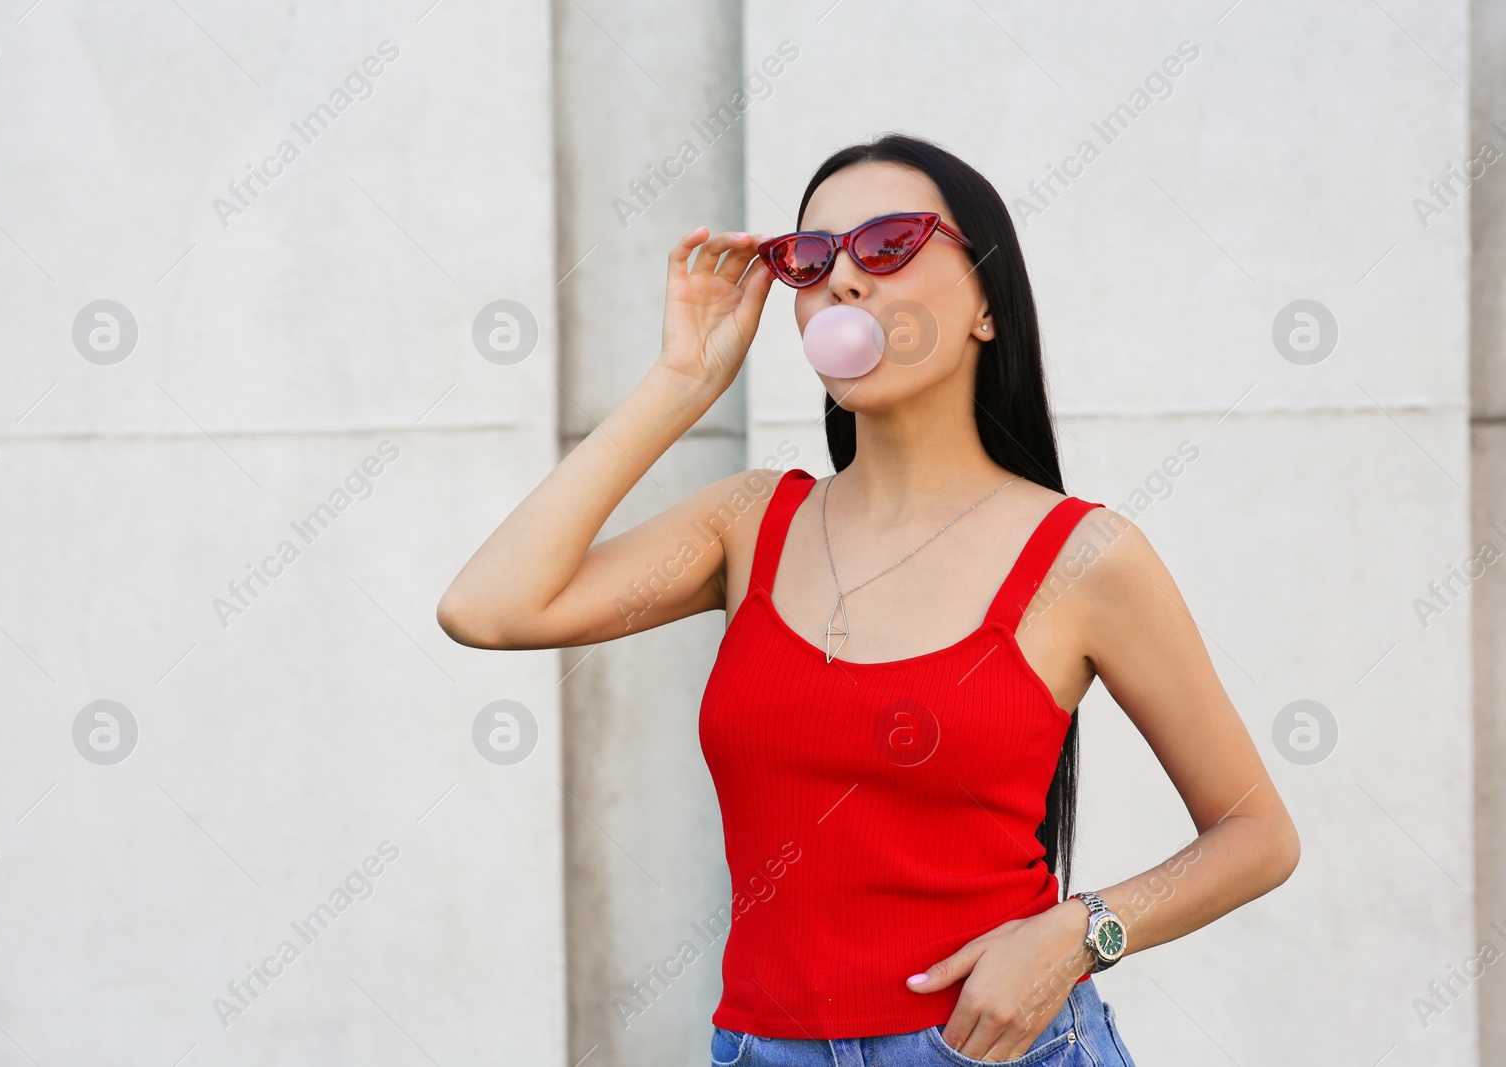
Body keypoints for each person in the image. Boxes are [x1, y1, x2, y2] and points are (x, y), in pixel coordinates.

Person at [438, 132, 1299, 1066]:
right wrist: (682, 384)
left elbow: (1256, 833)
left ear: (986, 304)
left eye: (890, 243)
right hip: (762, 1049)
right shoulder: (749, 522)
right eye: (810, 260)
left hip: (1002, 1047)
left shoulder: (1083, 557)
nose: (844, 279)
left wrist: (1079, 932)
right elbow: (488, 607)